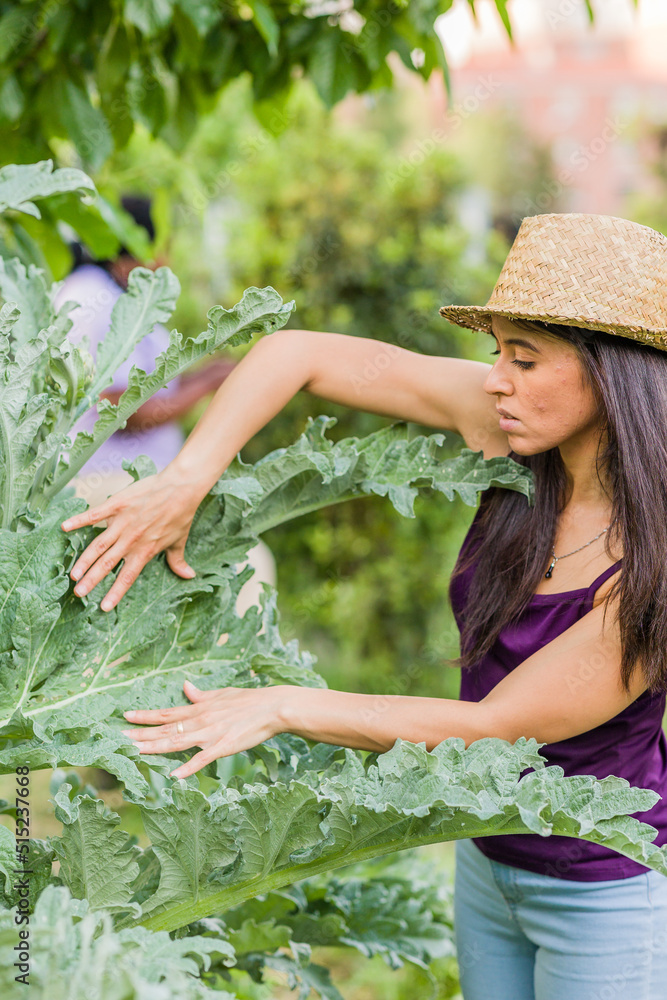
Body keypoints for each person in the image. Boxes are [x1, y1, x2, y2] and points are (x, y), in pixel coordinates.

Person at [61, 212, 667, 998]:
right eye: (496, 353)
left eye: (523, 359)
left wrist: (283, 705)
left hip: (603, 891)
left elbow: (496, 726)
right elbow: (297, 353)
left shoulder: (651, 561)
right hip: (486, 853)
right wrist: (185, 480)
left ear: (611, 373)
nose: (494, 378)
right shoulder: (510, 429)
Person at [56, 195, 276, 618]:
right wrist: (204, 386)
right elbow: (115, 409)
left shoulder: (121, 296)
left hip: (131, 484)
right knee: (246, 564)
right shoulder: (92, 296)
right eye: (164, 247)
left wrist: (212, 373)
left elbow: (154, 387)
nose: (167, 261)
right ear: (139, 247)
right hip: (103, 486)